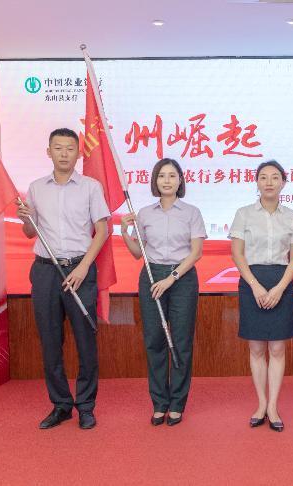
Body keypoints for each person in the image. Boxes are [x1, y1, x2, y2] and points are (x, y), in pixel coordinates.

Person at [16, 128, 110, 430]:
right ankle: (60, 405)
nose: (64, 153)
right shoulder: (35, 188)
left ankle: (86, 406)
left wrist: (83, 267)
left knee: (85, 340)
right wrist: (26, 219)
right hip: (45, 271)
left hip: (80, 269)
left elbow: (103, 230)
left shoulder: (91, 187)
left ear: (78, 153)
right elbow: (29, 232)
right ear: (49, 152)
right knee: (50, 341)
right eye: (58, 148)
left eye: (70, 148)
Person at [120, 158, 206, 427]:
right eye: (161, 176)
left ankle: (177, 403)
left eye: (172, 175)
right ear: (155, 181)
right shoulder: (145, 214)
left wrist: (171, 278)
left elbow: (196, 253)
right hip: (151, 276)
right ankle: (159, 403)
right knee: (155, 341)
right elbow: (139, 253)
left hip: (182, 278)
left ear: (180, 180)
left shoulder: (192, 212)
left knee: (181, 341)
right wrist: (124, 232)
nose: (167, 180)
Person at [229, 160, 293, 432]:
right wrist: (255, 286)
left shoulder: (292, 216)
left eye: (275, 177)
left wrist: (280, 288)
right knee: (257, 348)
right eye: (263, 177)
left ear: (283, 182)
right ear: (257, 182)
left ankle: (273, 406)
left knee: (277, 348)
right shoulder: (244, 214)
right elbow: (237, 254)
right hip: (252, 281)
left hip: (281, 281)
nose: (269, 182)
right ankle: (261, 404)